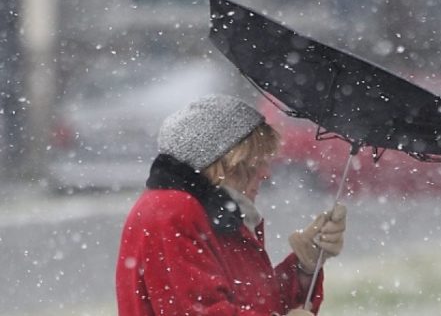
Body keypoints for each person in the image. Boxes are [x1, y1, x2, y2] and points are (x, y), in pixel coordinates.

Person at [116, 95, 347, 316]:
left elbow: (257, 301)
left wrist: (304, 267)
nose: (266, 174)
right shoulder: (173, 210)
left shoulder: (216, 213)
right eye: (257, 162)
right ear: (226, 162)